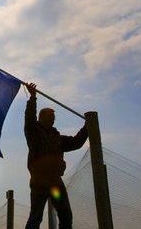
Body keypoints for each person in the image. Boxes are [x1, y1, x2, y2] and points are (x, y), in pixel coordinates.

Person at [24, 83, 88, 229]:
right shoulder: (34, 132)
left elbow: (76, 142)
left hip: (55, 182)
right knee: (36, 217)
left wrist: (87, 127)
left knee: (66, 214)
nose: (53, 119)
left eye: (54, 117)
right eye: (50, 116)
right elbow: (29, 119)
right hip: (40, 181)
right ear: (42, 117)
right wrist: (33, 98)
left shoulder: (57, 138)